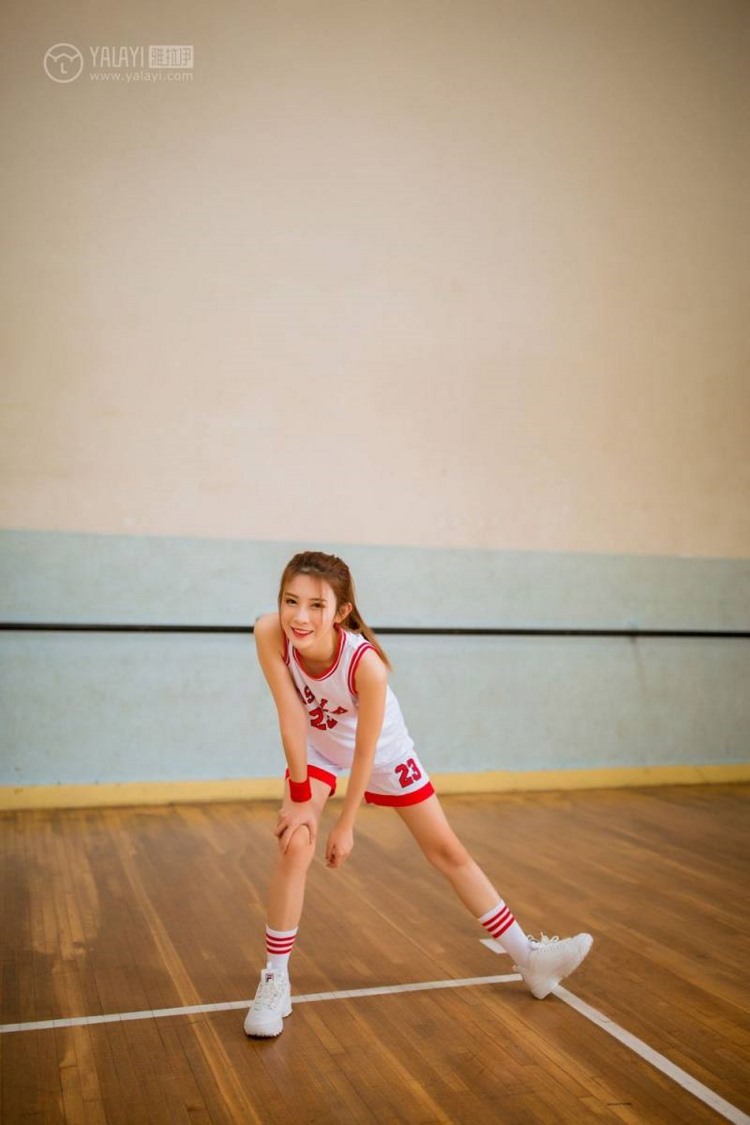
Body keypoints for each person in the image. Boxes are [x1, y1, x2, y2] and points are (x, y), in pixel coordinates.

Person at [244, 551, 592, 1038]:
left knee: (446, 850)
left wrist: (346, 825)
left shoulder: (367, 666)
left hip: (382, 753)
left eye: (316, 606)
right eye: (291, 601)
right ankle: (275, 980)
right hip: (319, 751)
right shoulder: (268, 633)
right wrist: (302, 798)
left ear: (341, 612)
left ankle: (529, 958)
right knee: (294, 844)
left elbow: (365, 754)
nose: (300, 617)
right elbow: (291, 717)